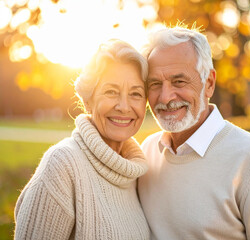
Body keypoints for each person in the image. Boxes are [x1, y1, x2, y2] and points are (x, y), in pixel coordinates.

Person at [138, 26, 250, 240]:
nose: (165, 97)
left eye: (179, 81)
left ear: (209, 83)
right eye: (155, 84)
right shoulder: (146, 153)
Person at [14, 39, 150, 239]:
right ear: (87, 101)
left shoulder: (137, 174)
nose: (124, 106)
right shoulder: (62, 165)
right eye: (111, 92)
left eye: (135, 94)